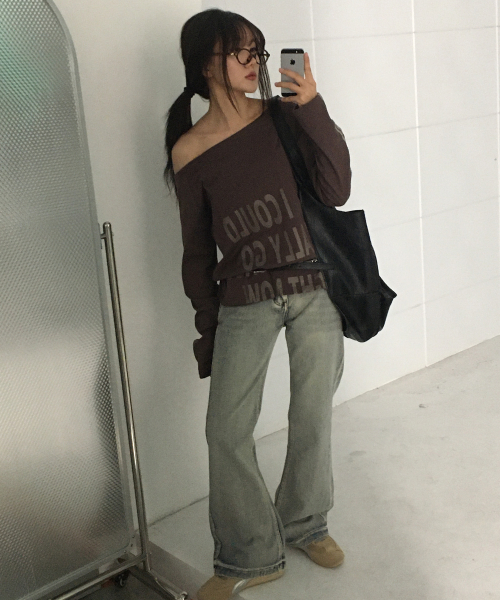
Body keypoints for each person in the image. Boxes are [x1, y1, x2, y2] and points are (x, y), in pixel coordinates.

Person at [164, 8, 351, 600]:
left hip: (312, 287)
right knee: (225, 430)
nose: (256, 62)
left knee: (312, 414)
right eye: (241, 51)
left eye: (258, 50)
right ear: (207, 63)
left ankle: (305, 523)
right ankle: (250, 554)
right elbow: (198, 250)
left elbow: (337, 187)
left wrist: (312, 107)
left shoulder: (284, 115)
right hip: (244, 300)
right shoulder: (189, 151)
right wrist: (208, 328)